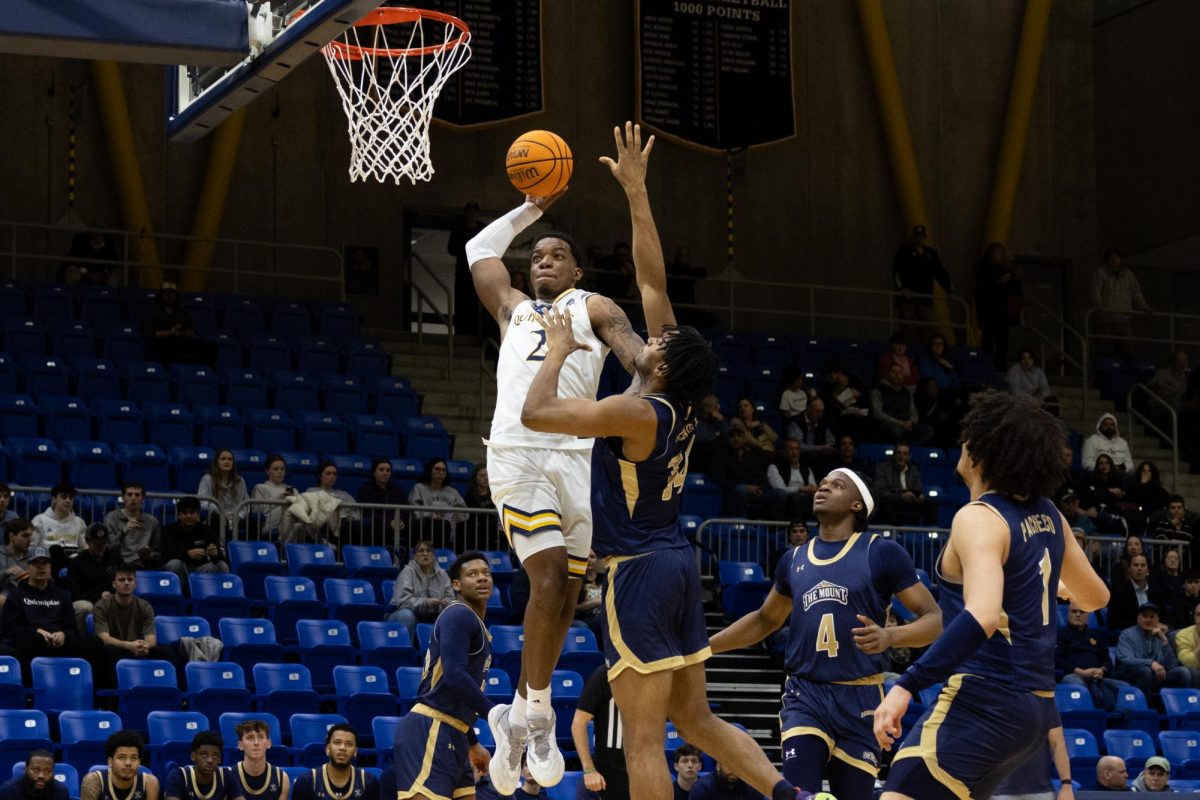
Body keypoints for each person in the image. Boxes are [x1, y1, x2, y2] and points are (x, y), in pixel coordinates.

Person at [519, 127, 818, 800]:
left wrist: (562, 351)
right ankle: (787, 793)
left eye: (659, 341)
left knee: (647, 740)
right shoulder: (673, 398)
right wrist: (636, 191)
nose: (654, 337)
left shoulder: (637, 410)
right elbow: (651, 277)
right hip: (678, 562)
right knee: (699, 718)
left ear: (662, 363)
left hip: (639, 573)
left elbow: (537, 415)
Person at [873, 391, 1110, 800]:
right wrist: (1053, 586)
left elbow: (982, 616)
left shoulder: (978, 517)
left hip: (984, 698)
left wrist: (906, 684)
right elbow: (1096, 598)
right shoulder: (1050, 514)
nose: (962, 443)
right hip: (1034, 712)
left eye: (969, 436)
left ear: (982, 451)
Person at [710, 468, 941, 797]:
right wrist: (705, 647)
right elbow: (764, 620)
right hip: (806, 695)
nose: (823, 488)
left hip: (861, 699)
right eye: (822, 484)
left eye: (837, 485)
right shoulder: (793, 559)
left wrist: (892, 636)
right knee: (801, 794)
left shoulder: (881, 552)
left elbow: (934, 620)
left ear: (857, 505)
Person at [389, 552, 491, 800]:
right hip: (431, 728)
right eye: (472, 574)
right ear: (456, 585)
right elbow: (454, 676)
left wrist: (472, 741)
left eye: (486, 573)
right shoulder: (458, 614)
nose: (481, 578)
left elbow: (455, 691)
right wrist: (497, 715)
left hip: (454, 731)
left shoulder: (476, 624)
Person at [0, 545, 111, 679]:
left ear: (50, 567)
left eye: (45, 563)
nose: (41, 567)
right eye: (36, 563)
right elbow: (9, 628)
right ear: (28, 567)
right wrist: (36, 632)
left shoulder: (62, 595)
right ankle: (30, 694)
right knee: (23, 644)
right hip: (32, 643)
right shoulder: (16, 595)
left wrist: (63, 634)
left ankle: (93, 693)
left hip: (59, 644)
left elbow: (72, 628)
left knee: (94, 643)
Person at [93, 563, 181, 669]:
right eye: (121, 580)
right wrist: (129, 646)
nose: (126, 583)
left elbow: (151, 639)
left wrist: (144, 646)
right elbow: (104, 638)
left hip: (138, 649)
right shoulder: (102, 606)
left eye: (130, 579)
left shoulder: (145, 606)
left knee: (165, 651)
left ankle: (173, 684)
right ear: (113, 584)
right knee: (109, 650)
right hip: (118, 649)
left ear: (135, 583)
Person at [1114, 602, 1197, 697]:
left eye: (1152, 616)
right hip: (1131, 675)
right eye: (1145, 616)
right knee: (1145, 671)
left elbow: (1172, 665)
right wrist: (1151, 663)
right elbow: (1125, 659)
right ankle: (1145, 708)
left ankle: (1182, 707)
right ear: (1138, 618)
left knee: (1183, 672)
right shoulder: (1127, 634)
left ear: (1158, 620)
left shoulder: (1159, 635)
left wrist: (1165, 641)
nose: (1148, 619)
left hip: (1156, 677)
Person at [570, 665, 628, 800]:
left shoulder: (652, 673)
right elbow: (578, 724)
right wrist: (589, 769)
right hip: (608, 771)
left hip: (642, 767)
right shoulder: (605, 674)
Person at [711, 421, 785, 520]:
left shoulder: (752, 456)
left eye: (739, 436)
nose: (736, 439)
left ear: (744, 438)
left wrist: (761, 488)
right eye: (733, 436)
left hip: (756, 491)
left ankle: (771, 528)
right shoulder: (721, 456)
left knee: (780, 494)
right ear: (729, 439)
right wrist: (745, 487)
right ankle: (742, 524)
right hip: (734, 492)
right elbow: (721, 480)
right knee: (740, 490)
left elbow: (762, 478)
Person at [1057, 601, 1122, 712]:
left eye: (1082, 612)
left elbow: (1107, 661)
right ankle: (1093, 714)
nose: (1078, 614)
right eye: (1074, 611)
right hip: (1074, 675)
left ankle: (1119, 717)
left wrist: (1101, 670)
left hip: (1098, 677)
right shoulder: (1061, 634)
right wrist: (1081, 672)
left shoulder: (1097, 635)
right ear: (1068, 615)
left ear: (1088, 616)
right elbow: (1057, 659)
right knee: (1080, 687)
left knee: (1125, 688)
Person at [386, 540, 455, 641]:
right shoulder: (407, 572)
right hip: (403, 614)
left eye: (429, 551)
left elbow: (451, 598)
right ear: (414, 556)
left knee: (454, 615)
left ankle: (449, 653)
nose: (425, 554)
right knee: (406, 615)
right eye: (421, 551)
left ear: (434, 556)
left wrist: (446, 603)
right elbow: (403, 602)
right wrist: (425, 602)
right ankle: (405, 651)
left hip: (434, 615)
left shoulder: (443, 574)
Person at [1091, 248, 1152, 358]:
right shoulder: (1100, 274)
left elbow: (1136, 293)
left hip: (1123, 319)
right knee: (1105, 349)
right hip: (1106, 319)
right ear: (1107, 260)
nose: (1114, 260)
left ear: (1120, 259)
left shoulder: (1129, 275)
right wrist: (1100, 308)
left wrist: (1145, 307)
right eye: (1111, 257)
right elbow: (1096, 292)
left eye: (1116, 257)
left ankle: (1123, 371)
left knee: (1126, 349)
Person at [892, 224, 952, 336]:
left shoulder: (931, 253)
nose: (919, 239)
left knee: (930, 327)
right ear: (913, 237)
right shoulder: (904, 251)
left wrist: (949, 288)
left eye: (922, 236)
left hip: (926, 297)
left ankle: (926, 350)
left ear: (925, 238)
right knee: (908, 327)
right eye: (917, 236)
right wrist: (901, 288)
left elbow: (939, 272)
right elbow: (896, 272)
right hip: (908, 298)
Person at [141, 281, 217, 367]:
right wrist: (170, 332)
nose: (170, 296)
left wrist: (183, 332)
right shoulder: (153, 312)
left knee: (211, 346)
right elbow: (149, 333)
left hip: (181, 340)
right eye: (166, 293)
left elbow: (191, 330)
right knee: (169, 346)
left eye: (172, 293)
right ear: (161, 295)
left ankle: (203, 372)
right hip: (162, 343)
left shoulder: (181, 312)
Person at [974, 242, 1022, 371]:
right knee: (988, 339)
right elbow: (983, 287)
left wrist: (1014, 278)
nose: (1001, 255)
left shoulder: (1003, 269)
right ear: (991, 253)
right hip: (989, 311)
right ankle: (987, 364)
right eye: (998, 252)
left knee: (1002, 341)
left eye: (1002, 252)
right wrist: (997, 283)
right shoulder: (984, 267)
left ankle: (1001, 365)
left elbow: (1013, 289)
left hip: (1002, 312)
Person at [989, 727, 1071, 800]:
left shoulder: (1046, 709)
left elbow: (1058, 745)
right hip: (999, 791)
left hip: (1041, 790)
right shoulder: (990, 710)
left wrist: (1066, 785)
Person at [161, 497, 229, 584]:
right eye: (185, 513)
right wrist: (188, 553)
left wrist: (216, 553)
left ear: (198, 515)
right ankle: (180, 594)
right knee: (175, 564)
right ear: (179, 515)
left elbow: (221, 555)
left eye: (192, 512)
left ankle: (222, 594)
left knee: (219, 565)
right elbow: (167, 554)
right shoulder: (169, 530)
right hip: (181, 568)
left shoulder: (207, 530)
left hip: (201, 568)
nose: (188, 516)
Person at [67, 524, 120, 630]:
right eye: (96, 544)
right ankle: (81, 640)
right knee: (84, 608)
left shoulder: (115, 557)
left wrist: (114, 595)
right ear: (87, 542)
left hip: (113, 597)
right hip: (88, 600)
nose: (100, 547)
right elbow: (74, 592)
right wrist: (98, 596)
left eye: (103, 543)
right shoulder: (77, 562)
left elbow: (122, 579)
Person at [80, 731, 160, 800]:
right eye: (122, 757)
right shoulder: (93, 781)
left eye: (134, 758)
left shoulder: (149, 783)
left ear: (139, 762)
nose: (128, 763)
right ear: (110, 762)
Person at [163, 731, 242, 800]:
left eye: (215, 755)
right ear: (193, 756)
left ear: (220, 759)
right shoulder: (178, 776)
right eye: (204, 754)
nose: (210, 760)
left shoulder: (227, 776)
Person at [448, 201, 487, 337]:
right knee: (462, 301)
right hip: (463, 271)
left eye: (474, 212)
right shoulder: (459, 229)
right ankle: (461, 331)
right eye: (470, 212)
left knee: (476, 302)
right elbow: (452, 249)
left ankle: (476, 332)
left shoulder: (483, 230)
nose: (472, 215)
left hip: (478, 271)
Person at [874, 443, 936, 526]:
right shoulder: (883, 469)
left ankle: (929, 534)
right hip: (893, 501)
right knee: (887, 504)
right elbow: (880, 492)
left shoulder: (914, 470)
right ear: (894, 455)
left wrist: (918, 496)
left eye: (904, 454)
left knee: (930, 504)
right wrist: (901, 496)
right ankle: (895, 533)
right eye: (898, 453)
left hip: (911, 501)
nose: (901, 456)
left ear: (909, 457)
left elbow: (918, 488)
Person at [408, 458, 467, 546]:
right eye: (437, 469)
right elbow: (415, 510)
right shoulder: (419, 488)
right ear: (430, 471)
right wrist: (429, 515)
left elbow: (464, 511)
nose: (441, 473)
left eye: (443, 470)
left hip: (447, 526)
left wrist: (458, 516)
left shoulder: (452, 492)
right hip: (426, 525)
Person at [871, 363, 934, 446]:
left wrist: (911, 422)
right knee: (896, 430)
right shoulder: (878, 391)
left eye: (900, 372)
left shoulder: (907, 392)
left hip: (907, 423)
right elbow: (877, 414)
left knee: (928, 430)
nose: (897, 375)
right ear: (887, 374)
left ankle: (910, 450)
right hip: (889, 423)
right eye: (894, 372)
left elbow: (913, 411)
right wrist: (900, 423)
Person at [104, 483, 161, 567]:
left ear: (142, 499)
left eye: (137, 495)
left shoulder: (152, 521)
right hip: (119, 565)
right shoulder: (112, 517)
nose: (133, 498)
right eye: (129, 494)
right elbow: (108, 547)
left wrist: (150, 554)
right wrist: (123, 532)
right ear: (123, 498)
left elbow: (157, 550)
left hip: (144, 564)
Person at [30, 483, 86, 568]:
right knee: (55, 550)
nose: (68, 501)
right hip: (48, 564)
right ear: (54, 499)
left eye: (71, 498)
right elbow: (32, 548)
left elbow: (84, 548)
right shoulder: (39, 520)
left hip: (74, 565)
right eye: (64, 497)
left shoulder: (79, 522)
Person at [229, 720, 289, 800]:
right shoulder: (228, 776)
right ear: (240, 745)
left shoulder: (281, 778)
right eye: (250, 738)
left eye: (260, 737)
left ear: (269, 743)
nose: (256, 743)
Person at [355, 458, 406, 548]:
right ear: (374, 473)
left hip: (397, 524)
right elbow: (367, 511)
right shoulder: (366, 489)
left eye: (388, 470)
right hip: (377, 526)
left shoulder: (397, 490)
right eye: (381, 470)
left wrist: (401, 521)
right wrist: (389, 522)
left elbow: (406, 509)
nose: (385, 473)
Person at [1107, 555, 1165, 634]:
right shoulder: (1119, 591)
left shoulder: (1156, 589)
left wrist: (1163, 626)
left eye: (1143, 565)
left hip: (1155, 632)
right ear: (1129, 569)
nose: (1139, 568)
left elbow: (1163, 614)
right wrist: (1142, 627)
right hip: (1131, 633)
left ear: (1147, 570)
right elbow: (1114, 620)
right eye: (1135, 565)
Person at [765, 439, 818, 522]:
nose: (794, 452)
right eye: (790, 449)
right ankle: (796, 527)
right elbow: (780, 489)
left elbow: (813, 486)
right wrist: (800, 489)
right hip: (785, 497)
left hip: (805, 497)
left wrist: (813, 489)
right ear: (784, 452)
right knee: (795, 497)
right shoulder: (774, 467)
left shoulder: (806, 469)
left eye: (797, 449)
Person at [197, 450, 248, 532]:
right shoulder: (207, 479)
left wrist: (239, 516)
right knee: (217, 521)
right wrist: (220, 510)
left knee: (254, 521)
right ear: (217, 462)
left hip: (237, 517)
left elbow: (246, 503)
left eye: (230, 459)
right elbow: (202, 502)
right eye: (223, 459)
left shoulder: (240, 481)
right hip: (216, 516)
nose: (227, 461)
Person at [250, 455, 295, 536]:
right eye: (276, 469)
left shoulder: (293, 490)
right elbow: (257, 510)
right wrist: (280, 497)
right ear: (267, 471)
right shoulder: (260, 487)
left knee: (298, 526)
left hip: (289, 522)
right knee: (287, 507)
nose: (280, 472)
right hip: (268, 521)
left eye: (282, 469)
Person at [0, 750, 67, 800]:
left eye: (47, 771)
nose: (41, 776)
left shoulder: (60, 791)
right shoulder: (8, 791)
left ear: (52, 773)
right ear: (25, 770)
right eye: (36, 770)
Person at [1006, 351, 1057, 415]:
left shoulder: (1038, 371)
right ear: (1020, 360)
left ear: (1033, 360)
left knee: (1052, 401)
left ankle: (1052, 424)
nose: (1027, 361)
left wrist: (1040, 397)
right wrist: (1032, 400)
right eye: (1024, 358)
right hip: (1022, 399)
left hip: (1037, 398)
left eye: (1029, 358)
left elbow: (1046, 388)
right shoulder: (1014, 371)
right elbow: (1015, 392)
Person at [687, 763, 764, 800]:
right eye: (729, 766)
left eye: (738, 767)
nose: (733, 771)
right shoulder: (701, 788)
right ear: (718, 766)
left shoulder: (753, 788)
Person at [0, 518, 33, 607]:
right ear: (12, 536)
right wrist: (6, 572)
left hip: (31, 595)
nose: (30, 540)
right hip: (6, 595)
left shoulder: (33, 556)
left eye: (31, 536)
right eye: (25, 536)